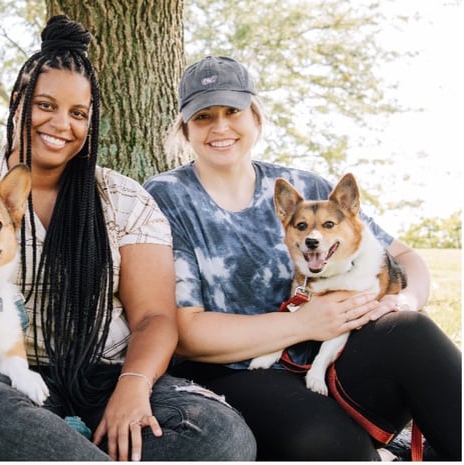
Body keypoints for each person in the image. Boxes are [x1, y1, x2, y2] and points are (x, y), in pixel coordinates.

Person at [0, 20, 256, 461]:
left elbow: (154, 318)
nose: (61, 124)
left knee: (222, 435)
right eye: (45, 105)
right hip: (4, 379)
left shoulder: (125, 201)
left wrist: (133, 388)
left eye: (78, 113)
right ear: (17, 101)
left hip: (109, 375)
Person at [144, 55, 462, 461]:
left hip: (327, 355)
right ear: (185, 127)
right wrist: (302, 323)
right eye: (204, 116)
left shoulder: (308, 187)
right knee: (331, 444)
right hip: (232, 370)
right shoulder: (167, 197)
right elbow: (188, 334)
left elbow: (404, 256)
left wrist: (405, 299)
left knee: (410, 330)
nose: (220, 127)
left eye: (232, 111)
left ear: (255, 116)